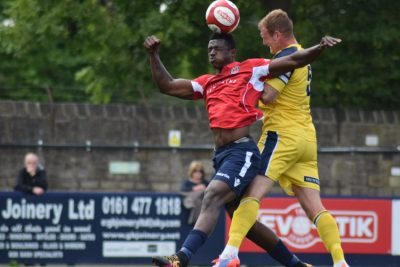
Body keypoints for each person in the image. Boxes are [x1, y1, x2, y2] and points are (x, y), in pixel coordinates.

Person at [144, 32, 340, 267]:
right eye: (209, 49)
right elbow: (167, 85)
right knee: (246, 224)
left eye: (216, 48)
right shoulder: (207, 82)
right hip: (221, 157)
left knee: (211, 195)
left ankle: (181, 258)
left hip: (242, 152)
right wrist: (153, 55)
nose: (211, 52)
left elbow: (293, 61)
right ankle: (296, 265)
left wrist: (319, 47)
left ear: (232, 53)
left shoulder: (252, 69)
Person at [218, 9, 349, 267]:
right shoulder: (301, 56)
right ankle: (340, 262)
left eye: (265, 36)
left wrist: (238, 88)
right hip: (306, 140)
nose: (264, 42)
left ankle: (228, 255)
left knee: (250, 195)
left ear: (278, 34)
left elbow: (268, 95)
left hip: (282, 135)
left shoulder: (287, 57)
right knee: (315, 207)